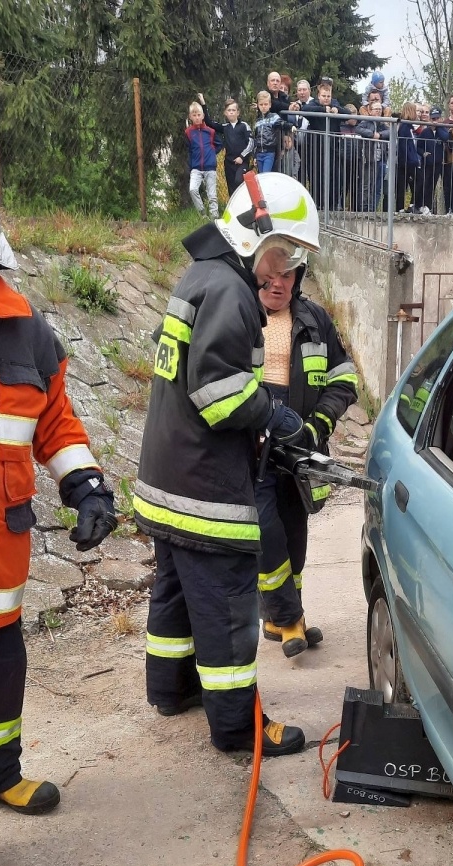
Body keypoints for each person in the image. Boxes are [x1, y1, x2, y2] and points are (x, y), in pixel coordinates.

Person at [134, 173, 321, 758]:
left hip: (167, 478)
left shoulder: (201, 276)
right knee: (227, 607)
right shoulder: (231, 291)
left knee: (174, 591)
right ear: (253, 235)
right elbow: (218, 393)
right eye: (283, 252)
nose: (285, 268)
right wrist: (277, 416)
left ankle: (171, 688)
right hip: (205, 488)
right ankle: (239, 726)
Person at [0, 163, 117, 866]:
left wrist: (85, 482)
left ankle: (1, 775)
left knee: (2, 672)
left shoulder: (26, 327)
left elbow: (54, 421)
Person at [254, 248, 357, 657]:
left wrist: (317, 427)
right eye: (272, 274)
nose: (279, 283)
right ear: (257, 272)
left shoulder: (315, 321)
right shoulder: (239, 314)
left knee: (294, 532)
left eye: (289, 275)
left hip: (300, 446)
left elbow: (343, 379)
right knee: (267, 530)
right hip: (253, 444)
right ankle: (288, 617)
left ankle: (279, 617)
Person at [303, 79, 347, 209]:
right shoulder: (313, 104)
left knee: (335, 177)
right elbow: (305, 109)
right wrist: (323, 110)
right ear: (318, 95)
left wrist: (336, 110)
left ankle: (332, 206)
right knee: (316, 177)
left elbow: (348, 114)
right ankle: (318, 205)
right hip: (316, 148)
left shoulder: (335, 104)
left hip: (333, 148)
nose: (326, 98)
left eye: (328, 96)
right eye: (324, 96)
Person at [202, 96, 254, 199]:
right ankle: (234, 211)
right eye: (229, 110)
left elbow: (251, 142)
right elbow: (209, 122)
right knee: (231, 188)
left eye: (233, 110)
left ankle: (247, 204)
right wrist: (203, 104)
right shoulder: (225, 127)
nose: (231, 112)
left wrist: (242, 157)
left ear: (238, 112)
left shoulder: (244, 126)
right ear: (225, 113)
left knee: (239, 181)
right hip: (229, 163)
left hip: (242, 162)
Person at [254, 91, 305, 174]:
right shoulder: (258, 121)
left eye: (266, 104)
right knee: (261, 175)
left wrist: (290, 126)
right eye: (261, 104)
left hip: (269, 152)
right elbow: (256, 138)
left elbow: (282, 123)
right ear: (258, 105)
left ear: (270, 104)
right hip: (259, 152)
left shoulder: (273, 117)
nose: (263, 107)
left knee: (266, 174)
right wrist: (255, 155)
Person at [186, 99, 222, 217]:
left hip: (210, 167)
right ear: (190, 116)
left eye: (199, 115)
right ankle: (202, 214)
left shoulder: (210, 132)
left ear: (203, 116)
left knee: (212, 194)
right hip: (196, 167)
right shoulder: (188, 132)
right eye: (194, 115)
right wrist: (191, 165)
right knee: (193, 189)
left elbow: (219, 144)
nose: (197, 117)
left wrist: (211, 154)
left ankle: (215, 217)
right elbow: (189, 149)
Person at [414, 106, 448, 214]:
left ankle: (428, 206)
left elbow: (446, 138)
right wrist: (423, 153)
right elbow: (418, 146)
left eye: (437, 119)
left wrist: (439, 128)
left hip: (437, 163)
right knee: (424, 183)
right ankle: (420, 205)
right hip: (427, 163)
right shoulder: (425, 132)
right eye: (433, 119)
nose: (435, 121)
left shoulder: (442, 130)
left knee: (432, 185)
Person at [395, 102, 421, 213]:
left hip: (410, 160)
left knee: (413, 183)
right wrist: (408, 160)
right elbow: (404, 146)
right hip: (407, 161)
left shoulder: (408, 126)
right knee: (404, 185)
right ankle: (401, 208)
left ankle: (410, 205)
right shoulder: (405, 127)